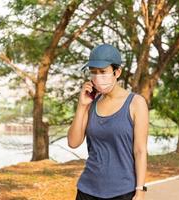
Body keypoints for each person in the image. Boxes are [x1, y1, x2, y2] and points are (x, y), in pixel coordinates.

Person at [67, 44, 149, 200]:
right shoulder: (91, 103)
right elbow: (73, 142)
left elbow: (140, 150)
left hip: (122, 192)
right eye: (93, 72)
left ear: (117, 72)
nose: (98, 77)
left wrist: (140, 190)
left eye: (103, 72)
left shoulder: (136, 103)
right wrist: (82, 106)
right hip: (87, 190)